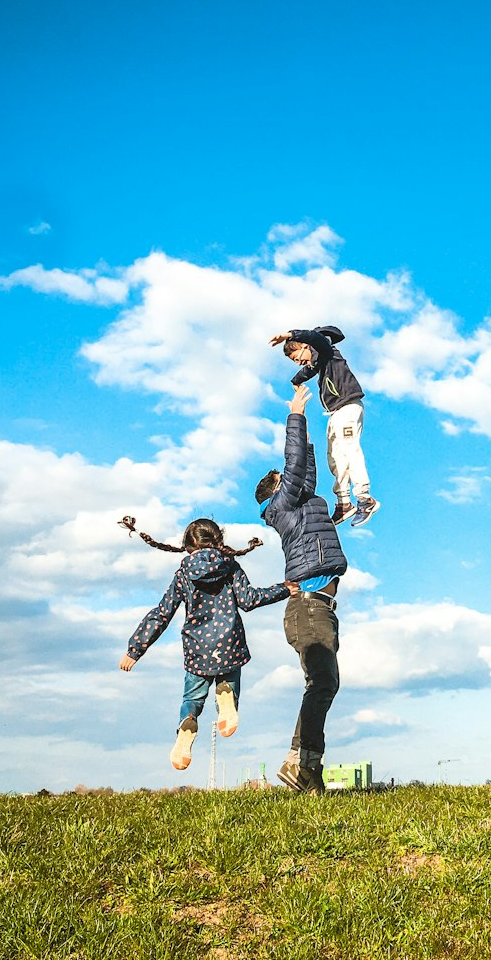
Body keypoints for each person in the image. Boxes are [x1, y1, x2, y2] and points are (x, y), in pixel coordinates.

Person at [117, 515, 292, 771]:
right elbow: (249, 600)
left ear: (188, 545)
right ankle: (227, 698)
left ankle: (188, 721)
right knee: (228, 688)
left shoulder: (183, 574)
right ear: (218, 541)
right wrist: (284, 588)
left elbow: (162, 613)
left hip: (197, 648)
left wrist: (135, 650)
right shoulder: (229, 566)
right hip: (229, 643)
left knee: (192, 698)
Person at [254, 383, 348, 794]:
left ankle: (308, 774)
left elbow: (302, 469)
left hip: (316, 606)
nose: (293, 478)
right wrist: (296, 415)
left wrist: (309, 440)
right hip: (308, 606)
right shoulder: (283, 506)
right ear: (277, 491)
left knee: (324, 683)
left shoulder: (298, 502)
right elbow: (294, 468)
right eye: (285, 479)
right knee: (323, 683)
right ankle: (300, 762)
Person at [268, 325, 380, 528]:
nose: (298, 362)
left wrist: (289, 335)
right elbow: (307, 371)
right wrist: (296, 380)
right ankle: (344, 503)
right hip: (336, 412)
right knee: (335, 457)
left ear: (305, 345)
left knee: (349, 449)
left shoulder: (326, 349)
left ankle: (365, 499)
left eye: (296, 357)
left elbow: (315, 338)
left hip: (348, 407)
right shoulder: (319, 362)